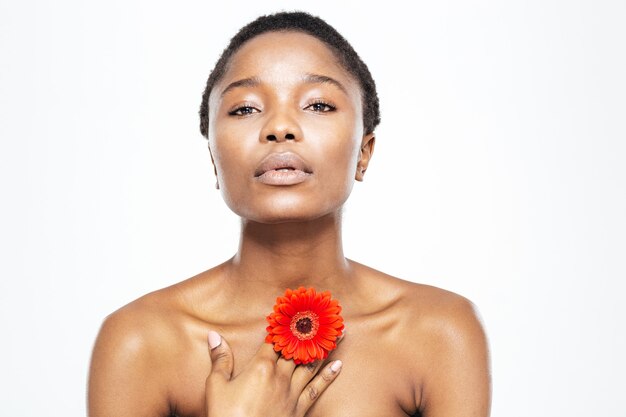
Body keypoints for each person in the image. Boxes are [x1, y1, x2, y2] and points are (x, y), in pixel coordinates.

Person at [88, 11, 491, 417]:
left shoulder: (439, 333)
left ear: (364, 153)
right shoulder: (141, 342)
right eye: (245, 109)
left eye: (318, 104)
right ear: (213, 159)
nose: (280, 127)